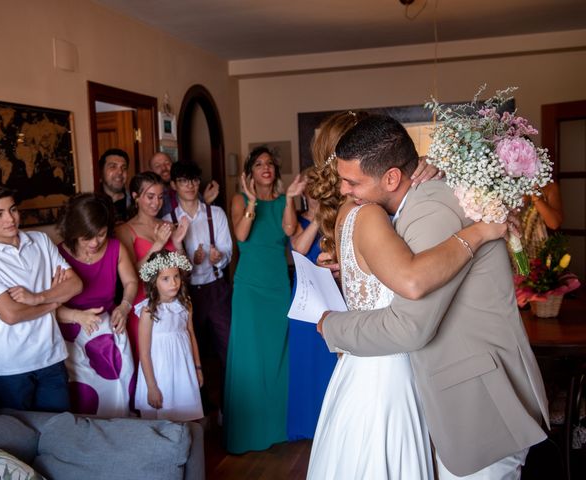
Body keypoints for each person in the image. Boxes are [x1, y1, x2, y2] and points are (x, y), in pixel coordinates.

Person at [317, 114, 549, 479]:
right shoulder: (411, 202)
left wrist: (331, 326)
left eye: (352, 181)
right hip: (453, 395)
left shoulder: (429, 208)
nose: (344, 190)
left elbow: (410, 324)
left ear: (392, 177)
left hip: (478, 403)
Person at [0, 183, 82, 411]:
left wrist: (37, 298)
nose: (10, 219)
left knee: (58, 430)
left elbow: (76, 284)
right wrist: (55, 302)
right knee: (19, 438)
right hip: (11, 364)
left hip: (51, 355)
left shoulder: (40, 240)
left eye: (13, 209)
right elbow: (10, 315)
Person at [224, 145, 306, 454]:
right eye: (258, 164)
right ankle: (249, 432)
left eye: (269, 163)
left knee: (276, 354)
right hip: (248, 288)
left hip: (277, 285)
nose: (266, 168)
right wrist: (253, 202)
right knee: (250, 354)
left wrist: (289, 199)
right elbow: (242, 235)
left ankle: (277, 427)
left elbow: (289, 230)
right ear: (250, 174)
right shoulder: (240, 200)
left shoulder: (284, 200)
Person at [55, 193, 138, 417]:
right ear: (73, 232)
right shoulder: (57, 254)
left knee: (121, 390)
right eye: (86, 237)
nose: (94, 243)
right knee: (87, 398)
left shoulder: (115, 248)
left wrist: (124, 306)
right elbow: (50, 307)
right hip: (74, 334)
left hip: (110, 329)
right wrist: (77, 316)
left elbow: (130, 282)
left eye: (100, 234)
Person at [164, 161, 232, 418]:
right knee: (194, 353)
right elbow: (166, 264)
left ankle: (228, 408)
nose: (190, 186)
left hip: (216, 288)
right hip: (185, 293)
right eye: (183, 181)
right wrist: (191, 260)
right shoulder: (167, 220)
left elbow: (227, 251)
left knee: (228, 349)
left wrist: (218, 258)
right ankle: (201, 409)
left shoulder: (216, 214)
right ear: (174, 186)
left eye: (193, 180)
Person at [116, 172, 189, 371]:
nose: (156, 202)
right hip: (144, 306)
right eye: (150, 196)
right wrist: (157, 245)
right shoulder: (124, 230)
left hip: (172, 304)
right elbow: (131, 275)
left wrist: (177, 243)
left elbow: (182, 270)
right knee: (149, 366)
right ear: (136, 197)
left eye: (160, 196)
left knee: (175, 365)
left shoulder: (167, 225)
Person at [286, 171, 337, 441]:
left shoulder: (337, 218)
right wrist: (318, 215)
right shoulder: (299, 220)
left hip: (333, 289)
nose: (314, 193)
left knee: (329, 355)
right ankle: (308, 424)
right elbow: (299, 250)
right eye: (310, 188)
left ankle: (332, 422)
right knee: (306, 358)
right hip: (306, 291)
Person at [134, 250, 204, 421]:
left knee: (184, 419)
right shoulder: (148, 311)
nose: (173, 283)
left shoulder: (185, 304)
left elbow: (191, 335)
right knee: (161, 421)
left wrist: (198, 368)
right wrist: (151, 386)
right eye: (165, 279)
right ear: (154, 282)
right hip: (159, 372)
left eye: (176, 276)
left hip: (182, 369)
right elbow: (144, 352)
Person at [150, 151, 220, 217]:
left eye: (167, 163)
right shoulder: (151, 197)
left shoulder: (191, 189)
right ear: (152, 171)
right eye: (157, 166)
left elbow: (200, 218)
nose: (164, 168)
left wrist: (206, 202)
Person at [520, 182, 563, 259]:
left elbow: (554, 224)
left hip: (537, 256)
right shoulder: (500, 184)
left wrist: (537, 197)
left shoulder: (548, 186)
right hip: (507, 253)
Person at [99, 148, 131, 224]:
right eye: (113, 166)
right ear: (101, 172)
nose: (120, 172)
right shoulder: (92, 204)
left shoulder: (136, 203)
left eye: (124, 168)